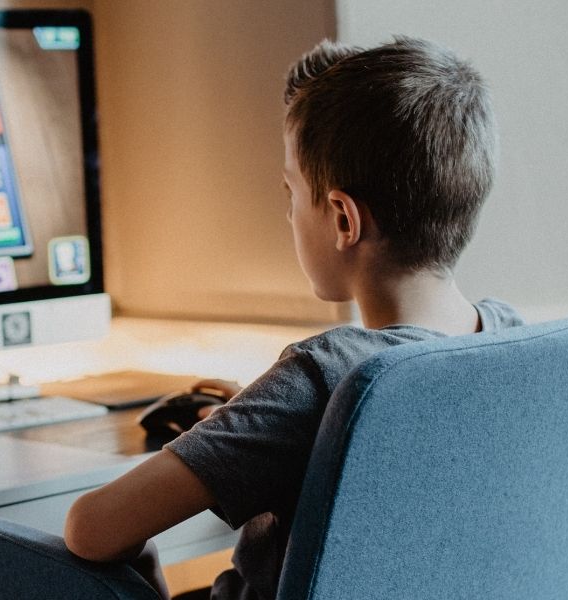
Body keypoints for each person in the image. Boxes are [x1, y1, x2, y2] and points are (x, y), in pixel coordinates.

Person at [64, 36, 524, 600]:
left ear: (342, 219)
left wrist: (236, 428)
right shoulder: (514, 341)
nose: (287, 214)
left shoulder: (322, 377)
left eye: (292, 192)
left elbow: (92, 529)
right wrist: (245, 423)